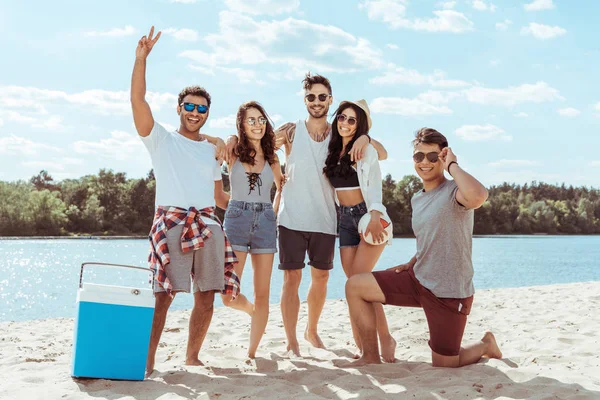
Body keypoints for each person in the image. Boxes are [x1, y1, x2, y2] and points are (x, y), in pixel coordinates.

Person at [226, 73, 388, 356]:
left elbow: (382, 154)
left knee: (322, 278)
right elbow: (257, 142)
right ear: (305, 100)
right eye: (311, 97)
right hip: (290, 217)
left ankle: (311, 329)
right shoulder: (290, 131)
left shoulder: (341, 133)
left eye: (322, 97)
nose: (316, 101)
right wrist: (231, 137)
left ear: (330, 100)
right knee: (291, 279)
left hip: (326, 217)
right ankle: (292, 341)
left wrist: (364, 135)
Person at [345, 127, 502, 367]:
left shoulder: (455, 192)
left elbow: (479, 195)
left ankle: (485, 344)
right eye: (419, 156)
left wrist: (452, 165)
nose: (424, 162)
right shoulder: (417, 198)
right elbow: (435, 235)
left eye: (432, 156)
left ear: (443, 156)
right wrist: (415, 259)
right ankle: (370, 356)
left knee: (446, 363)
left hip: (448, 291)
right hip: (417, 278)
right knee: (355, 285)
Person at [131, 27, 239, 375]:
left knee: (206, 295)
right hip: (171, 223)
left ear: (208, 113)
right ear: (179, 108)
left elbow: (219, 195)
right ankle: (146, 363)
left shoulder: (212, 149)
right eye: (190, 106)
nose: (195, 112)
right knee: (163, 296)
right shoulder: (160, 139)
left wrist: (253, 206)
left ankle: (192, 357)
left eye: (202, 108)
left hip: (208, 224)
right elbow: (138, 102)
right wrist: (141, 60)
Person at [322, 99, 395, 362]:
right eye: (342, 117)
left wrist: (375, 213)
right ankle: (366, 343)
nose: (345, 123)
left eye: (352, 120)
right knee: (356, 284)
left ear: (360, 124)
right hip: (344, 220)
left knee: (361, 282)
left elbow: (375, 182)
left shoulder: (365, 149)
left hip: (367, 216)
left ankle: (383, 339)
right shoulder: (331, 150)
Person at [219, 101, 285, 359]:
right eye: (251, 120)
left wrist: (274, 213)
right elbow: (223, 144)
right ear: (242, 125)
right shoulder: (233, 151)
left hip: (266, 222)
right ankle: (248, 309)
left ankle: (252, 352)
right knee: (227, 294)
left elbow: (281, 187)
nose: (257, 125)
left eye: (261, 120)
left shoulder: (273, 157)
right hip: (236, 219)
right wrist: (229, 137)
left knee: (264, 293)